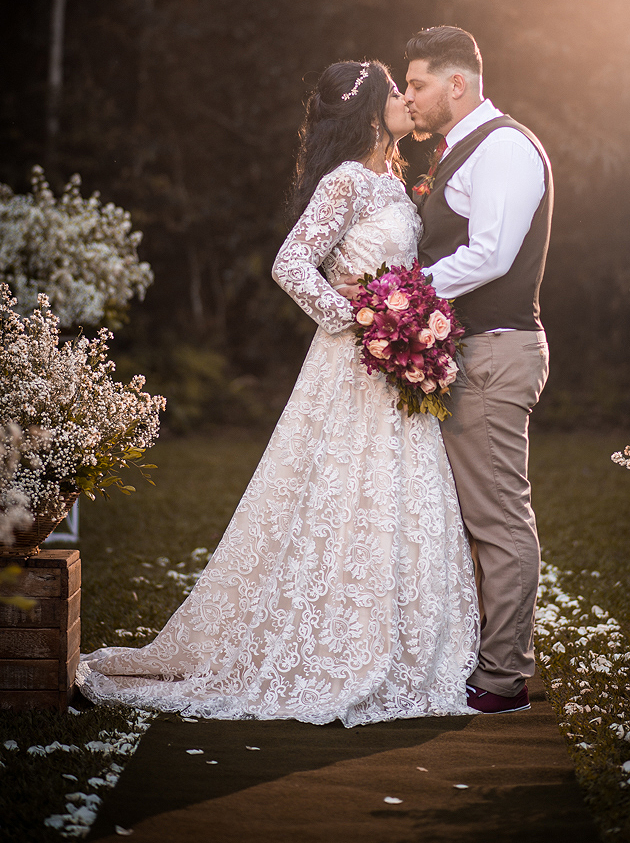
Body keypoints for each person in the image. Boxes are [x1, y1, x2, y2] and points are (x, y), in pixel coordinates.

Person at [78, 59, 479, 725]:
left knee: (392, 497)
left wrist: (406, 318)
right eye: (396, 92)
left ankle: (400, 644)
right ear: (370, 109)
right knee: (339, 494)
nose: (408, 99)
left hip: (395, 368)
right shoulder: (346, 181)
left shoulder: (392, 178)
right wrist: (356, 317)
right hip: (352, 365)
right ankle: (331, 643)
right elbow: (290, 261)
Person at [405, 25, 553, 715]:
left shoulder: (505, 148)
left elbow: (492, 254)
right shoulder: (463, 149)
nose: (409, 97)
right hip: (468, 350)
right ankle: (476, 656)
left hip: (494, 350)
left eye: (417, 84)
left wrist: (406, 295)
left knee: (496, 518)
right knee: (468, 516)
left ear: (456, 83)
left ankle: (503, 678)